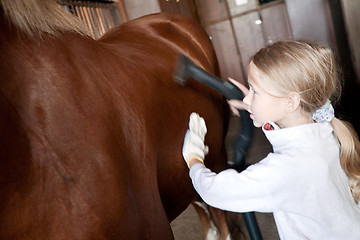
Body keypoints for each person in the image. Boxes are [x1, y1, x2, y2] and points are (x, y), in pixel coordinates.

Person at [182, 40, 360, 239]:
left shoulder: (286, 169)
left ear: (291, 102)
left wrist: (194, 158)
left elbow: (216, 191)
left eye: (255, 92)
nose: (248, 99)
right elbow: (288, 127)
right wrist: (255, 106)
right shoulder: (324, 128)